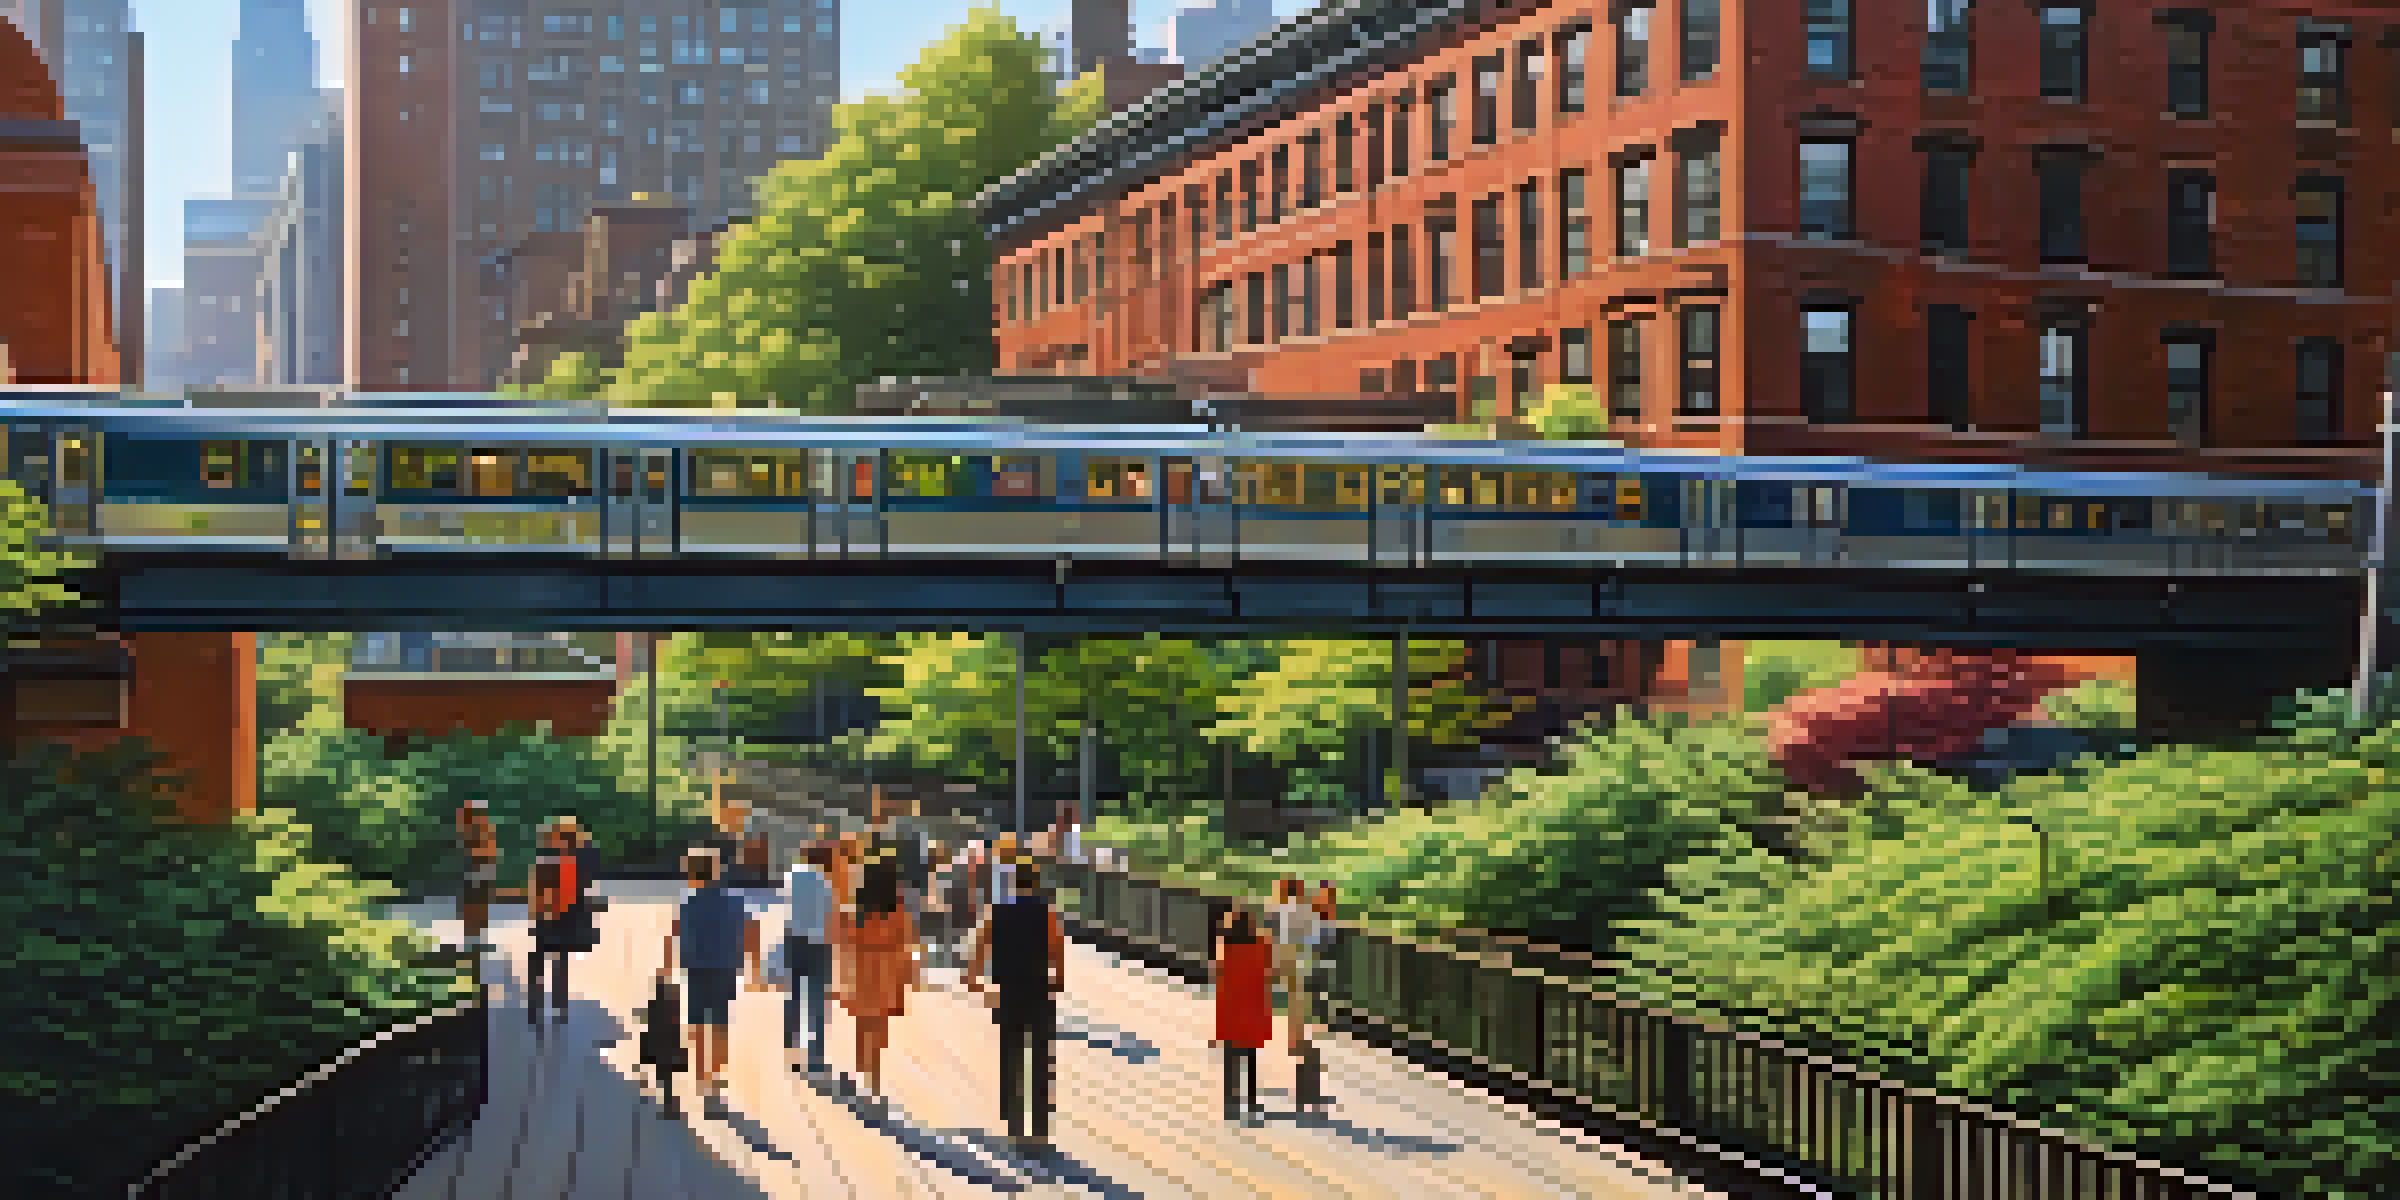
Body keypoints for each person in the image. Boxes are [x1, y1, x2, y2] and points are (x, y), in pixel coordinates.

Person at [968, 860, 1066, 1155]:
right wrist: (1057, 976)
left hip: (1008, 989)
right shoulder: (1045, 912)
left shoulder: (998, 911)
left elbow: (981, 942)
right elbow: (1056, 945)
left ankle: (1013, 1127)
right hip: (1038, 988)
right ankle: (1039, 1131)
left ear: (1013, 882)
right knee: (1039, 1057)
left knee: (1010, 1056)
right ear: (1036, 882)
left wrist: (974, 977)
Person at [662, 848, 760, 1109]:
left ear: (691, 874)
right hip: (726, 968)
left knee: (695, 1026)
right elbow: (753, 929)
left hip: (694, 970)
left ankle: (701, 1076)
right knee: (720, 1026)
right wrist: (754, 966)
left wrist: (665, 970)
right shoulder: (734, 901)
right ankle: (714, 1083)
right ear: (716, 871)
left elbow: (673, 937)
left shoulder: (687, 903)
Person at [840, 857, 919, 1103]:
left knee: (863, 1024)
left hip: (863, 968)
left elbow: (848, 941)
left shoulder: (858, 908)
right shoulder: (898, 908)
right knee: (880, 1024)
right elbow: (906, 941)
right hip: (887, 969)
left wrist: (845, 974)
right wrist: (909, 973)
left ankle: (863, 1072)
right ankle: (873, 1079)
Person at [528, 821, 594, 1029]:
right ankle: (558, 1007)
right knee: (558, 965)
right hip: (562, 920)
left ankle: (538, 1006)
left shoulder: (555, 862)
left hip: (551, 920)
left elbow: (539, 893)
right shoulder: (573, 863)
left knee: (541, 964)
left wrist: (540, 913)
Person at [1212, 906, 1273, 1125]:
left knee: (1231, 1058)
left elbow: (1221, 978)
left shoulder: (1226, 947)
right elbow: (1267, 974)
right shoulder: (1261, 946)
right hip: (1252, 1007)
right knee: (1251, 1057)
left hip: (1233, 1007)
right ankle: (1253, 1101)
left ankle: (1231, 1102)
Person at [783, 843, 836, 1075]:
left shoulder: (792, 875)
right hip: (818, 945)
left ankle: (792, 1056)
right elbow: (830, 917)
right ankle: (815, 1058)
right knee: (816, 1003)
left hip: (795, 942)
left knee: (794, 1000)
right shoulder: (827, 884)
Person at [1267, 879, 1321, 1057]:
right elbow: (1313, 938)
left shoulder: (1278, 909)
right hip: (1299, 955)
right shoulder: (1306, 910)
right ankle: (1295, 1040)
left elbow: (1271, 934)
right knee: (1297, 1002)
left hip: (1280, 954)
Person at [457, 797, 499, 950]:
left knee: (479, 903)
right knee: (472, 903)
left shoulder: (484, 830)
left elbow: (489, 852)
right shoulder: (470, 831)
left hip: (482, 870)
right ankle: (472, 937)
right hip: (475, 869)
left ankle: (477, 937)